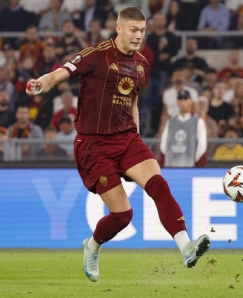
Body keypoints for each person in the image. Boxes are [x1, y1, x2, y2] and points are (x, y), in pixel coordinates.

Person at [26, 7, 210, 283]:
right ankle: (92, 246)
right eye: (133, 30)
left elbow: (132, 101)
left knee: (159, 184)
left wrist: (134, 132)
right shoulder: (96, 55)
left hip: (126, 138)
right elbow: (58, 74)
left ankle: (186, 248)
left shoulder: (141, 64)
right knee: (123, 215)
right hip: (94, 144)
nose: (138, 36)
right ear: (119, 28)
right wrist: (40, 85)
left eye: (143, 30)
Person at [160, 90, 207, 167]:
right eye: (180, 99)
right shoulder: (171, 121)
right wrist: (162, 165)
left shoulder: (198, 121)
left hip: (190, 167)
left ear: (191, 101)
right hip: (170, 167)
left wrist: (200, 168)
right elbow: (163, 145)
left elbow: (202, 146)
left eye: (185, 99)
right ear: (177, 102)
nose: (183, 102)